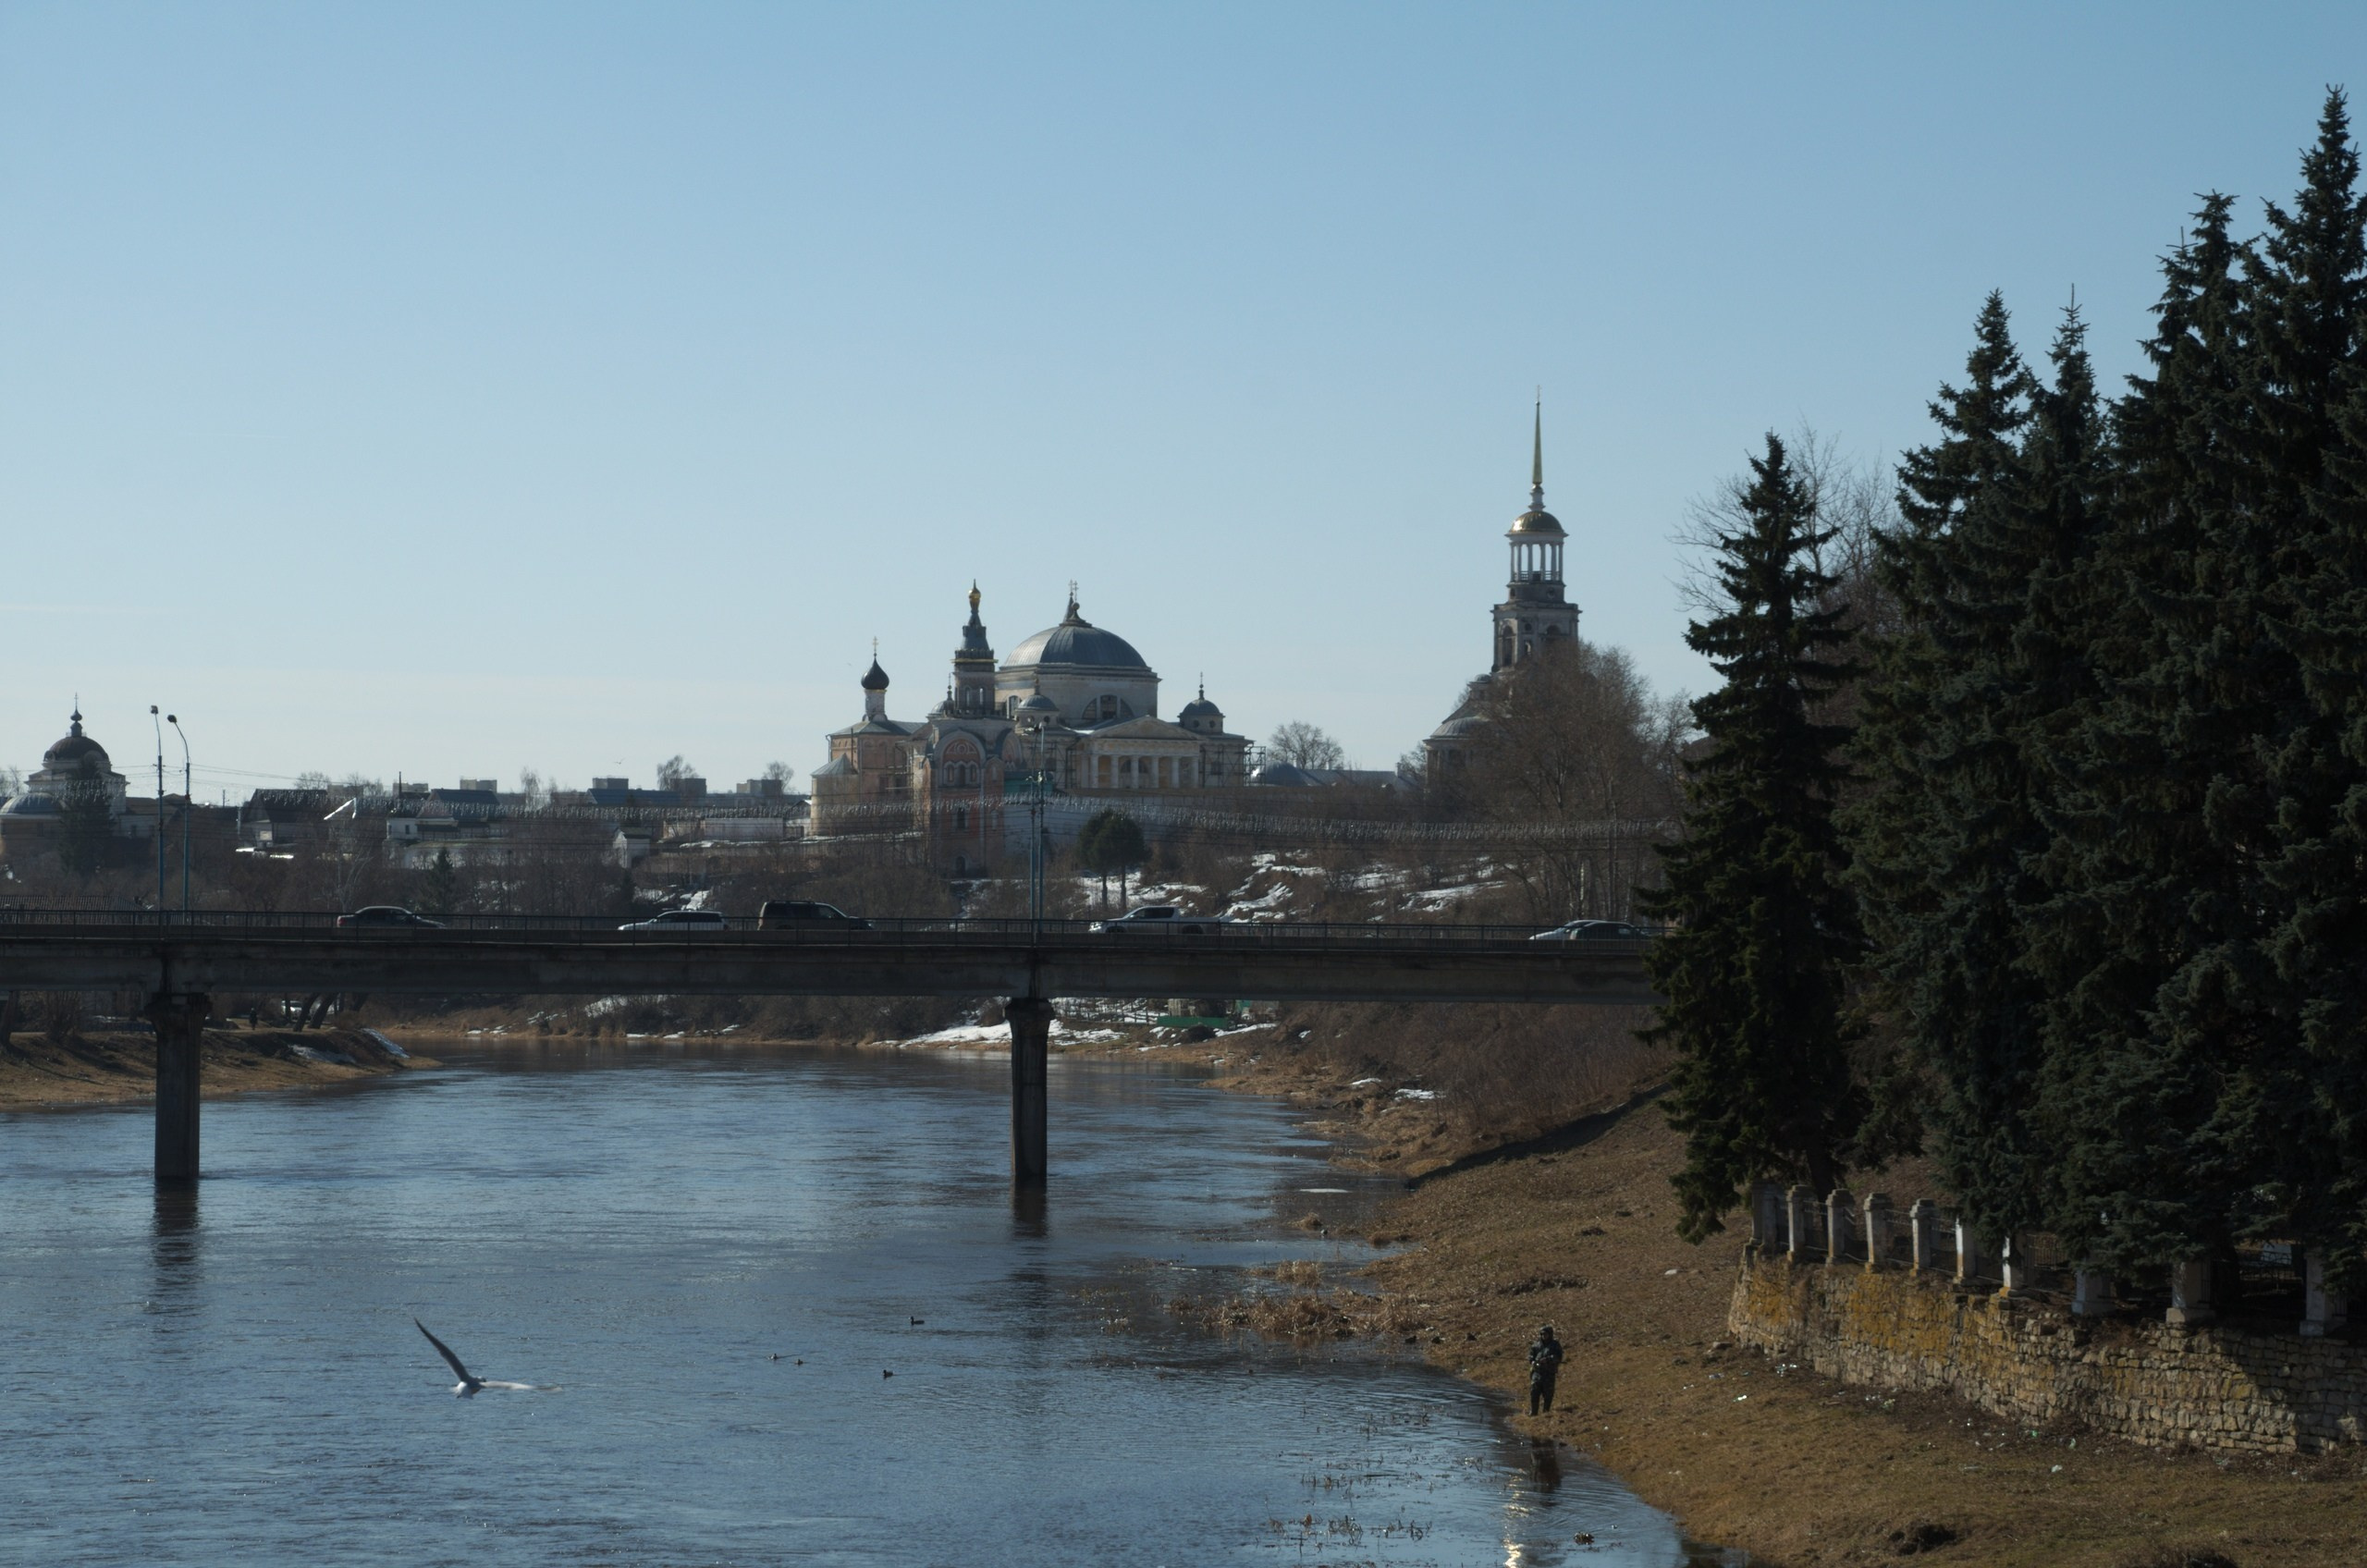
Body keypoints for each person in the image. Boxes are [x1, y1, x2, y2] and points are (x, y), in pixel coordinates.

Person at [1527, 1323, 1564, 1415]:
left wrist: (1547, 1359)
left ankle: (1546, 1413)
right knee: (1534, 1393)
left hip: (1549, 1374)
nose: (1544, 1336)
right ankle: (1533, 1412)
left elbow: (1559, 1357)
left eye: (1545, 1334)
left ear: (1550, 1334)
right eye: (1542, 1334)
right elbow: (1531, 1356)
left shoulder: (1555, 1345)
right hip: (1537, 1373)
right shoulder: (1536, 1345)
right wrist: (1533, 1361)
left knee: (1548, 1395)